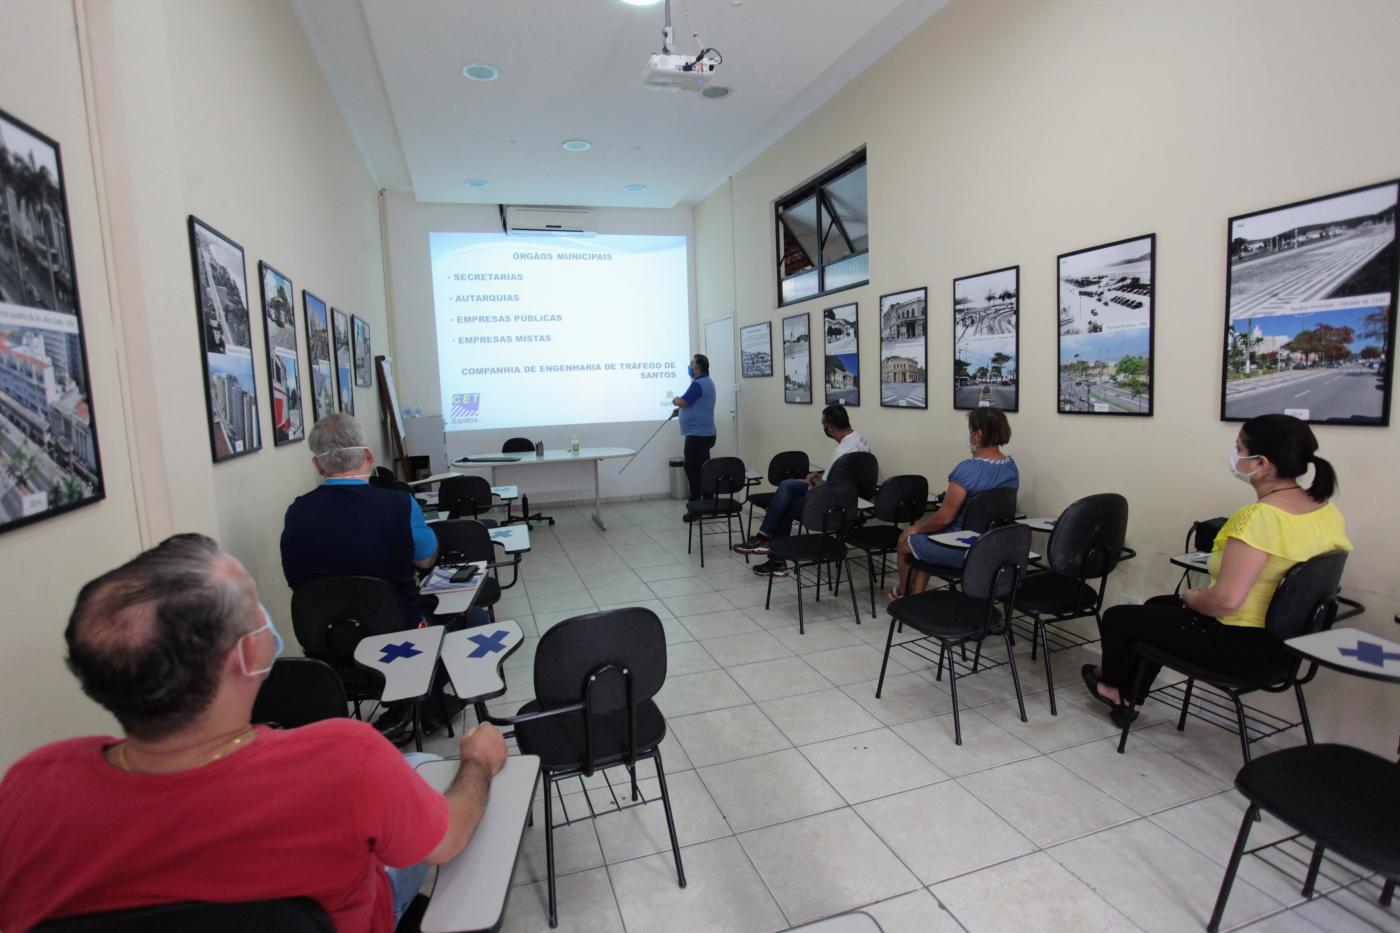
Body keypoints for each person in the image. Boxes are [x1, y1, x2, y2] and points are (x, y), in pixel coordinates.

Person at [0, 534, 508, 933]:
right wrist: (478, 762)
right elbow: (446, 841)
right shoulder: (343, 757)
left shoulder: (31, 783)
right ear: (247, 655)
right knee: (425, 776)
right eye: (254, 606)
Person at [1085, 414, 1351, 727]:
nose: (1234, 458)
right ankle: (1130, 697)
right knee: (1157, 608)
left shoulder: (1257, 519)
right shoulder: (1325, 511)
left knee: (1118, 618)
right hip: (1287, 646)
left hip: (1239, 645)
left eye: (1239, 450)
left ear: (1261, 463)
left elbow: (1225, 601)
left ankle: (1112, 685)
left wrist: (1192, 596)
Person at [280, 413, 482, 744]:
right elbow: (426, 558)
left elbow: (296, 579)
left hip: (325, 647)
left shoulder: (297, 512)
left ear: (318, 465)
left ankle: (413, 707)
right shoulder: (397, 505)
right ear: (369, 457)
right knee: (471, 616)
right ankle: (426, 704)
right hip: (399, 643)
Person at [892, 407, 1019, 597]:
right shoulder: (1011, 468)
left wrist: (917, 528)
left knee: (906, 540)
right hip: (991, 546)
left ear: (978, 434)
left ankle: (902, 593)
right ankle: (916, 595)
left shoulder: (967, 470)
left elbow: (944, 518)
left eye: (970, 431)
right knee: (928, 536)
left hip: (960, 547)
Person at [734, 404, 870, 578]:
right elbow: (842, 477)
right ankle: (764, 539)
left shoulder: (842, 450)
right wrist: (816, 476)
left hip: (831, 505)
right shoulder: (859, 439)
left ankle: (773, 555)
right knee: (787, 485)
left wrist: (812, 480)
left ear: (829, 429)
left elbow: (826, 488)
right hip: (849, 498)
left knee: (787, 504)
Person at [673, 353, 717, 509]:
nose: (690, 366)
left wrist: (675, 400)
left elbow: (683, 401)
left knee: (692, 470)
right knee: (704, 468)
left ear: (698, 368)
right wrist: (682, 412)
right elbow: (698, 406)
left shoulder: (698, 384)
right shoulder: (707, 382)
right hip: (705, 433)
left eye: (692, 364)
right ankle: (708, 501)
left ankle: (695, 506)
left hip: (697, 435)